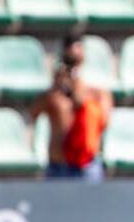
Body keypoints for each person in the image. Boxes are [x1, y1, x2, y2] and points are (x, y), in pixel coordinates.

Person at [30, 30, 113, 181]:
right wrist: (55, 86)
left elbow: (102, 121)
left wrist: (75, 84)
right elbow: (34, 112)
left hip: (87, 166)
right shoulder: (54, 94)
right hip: (58, 167)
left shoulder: (96, 91)